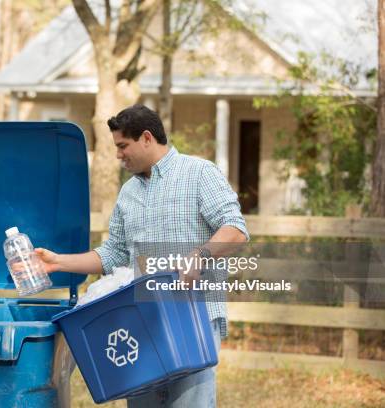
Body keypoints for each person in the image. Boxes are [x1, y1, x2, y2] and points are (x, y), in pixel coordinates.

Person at [35, 104, 249, 407]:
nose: (118, 155)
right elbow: (113, 254)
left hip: (190, 319)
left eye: (123, 146)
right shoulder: (129, 193)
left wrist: (200, 256)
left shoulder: (199, 173)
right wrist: (57, 262)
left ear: (146, 138)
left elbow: (236, 230)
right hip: (140, 320)